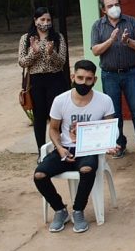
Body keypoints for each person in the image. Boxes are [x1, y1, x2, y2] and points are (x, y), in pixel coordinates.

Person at [34, 59, 117, 234]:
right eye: (80, 78)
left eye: (88, 79)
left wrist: (110, 144)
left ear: (94, 80)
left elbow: (110, 129)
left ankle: (78, 210)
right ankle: (60, 210)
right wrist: (59, 148)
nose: (83, 83)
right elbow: (54, 129)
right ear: (73, 77)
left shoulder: (104, 100)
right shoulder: (60, 100)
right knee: (39, 175)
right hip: (64, 149)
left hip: (88, 149)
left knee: (87, 169)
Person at [90, 0, 135, 158]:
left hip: (130, 72)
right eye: (110, 6)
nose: (114, 8)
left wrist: (128, 41)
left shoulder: (132, 22)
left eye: (116, 4)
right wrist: (111, 40)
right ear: (103, 9)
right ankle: (119, 143)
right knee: (114, 112)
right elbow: (95, 50)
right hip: (109, 75)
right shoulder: (97, 26)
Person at [18, 7, 68, 150]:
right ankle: (41, 151)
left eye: (48, 20)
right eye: (42, 19)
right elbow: (22, 62)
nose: (45, 23)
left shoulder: (58, 37)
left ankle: (60, 148)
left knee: (57, 116)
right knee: (39, 117)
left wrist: (51, 53)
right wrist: (34, 52)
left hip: (56, 79)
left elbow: (62, 62)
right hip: (36, 81)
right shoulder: (26, 39)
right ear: (35, 20)